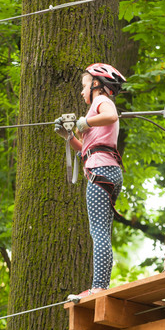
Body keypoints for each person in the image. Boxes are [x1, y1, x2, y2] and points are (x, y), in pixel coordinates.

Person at [54, 63, 126, 299]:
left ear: (96, 84)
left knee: (98, 232)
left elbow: (111, 115)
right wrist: (70, 136)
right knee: (102, 231)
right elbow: (86, 151)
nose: (81, 91)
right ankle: (100, 286)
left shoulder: (100, 102)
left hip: (101, 171)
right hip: (106, 169)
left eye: (84, 85)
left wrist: (86, 122)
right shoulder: (96, 109)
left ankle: (99, 288)